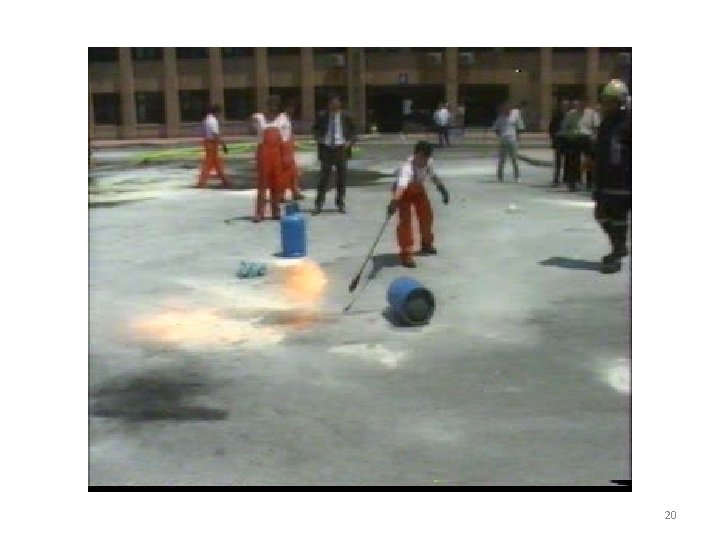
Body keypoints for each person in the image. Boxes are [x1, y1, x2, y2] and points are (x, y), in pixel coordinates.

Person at [387, 141, 449, 268]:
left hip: (418, 190)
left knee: (427, 216)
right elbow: (401, 186)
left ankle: (426, 243)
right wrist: (394, 202)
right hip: (402, 194)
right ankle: (406, 254)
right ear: (415, 155)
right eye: (422, 157)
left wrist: (442, 190)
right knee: (405, 223)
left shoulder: (428, 162)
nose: (424, 160)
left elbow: (433, 177)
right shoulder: (407, 169)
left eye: (426, 157)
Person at [593, 79, 631, 274]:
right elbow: (601, 152)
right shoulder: (606, 123)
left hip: (624, 180)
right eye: (604, 100)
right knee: (600, 214)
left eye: (610, 100)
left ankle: (617, 253)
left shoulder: (629, 122)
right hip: (606, 179)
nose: (605, 104)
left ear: (621, 101)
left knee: (618, 218)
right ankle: (619, 247)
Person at [312, 95, 357, 215]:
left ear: (340, 104)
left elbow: (354, 131)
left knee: (341, 177)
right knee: (324, 177)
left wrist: (350, 141)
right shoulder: (322, 115)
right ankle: (319, 204)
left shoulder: (346, 116)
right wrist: (319, 138)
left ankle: (340, 203)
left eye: (336, 103)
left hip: (341, 148)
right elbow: (315, 129)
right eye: (332, 103)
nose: (334, 106)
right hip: (326, 148)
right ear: (329, 104)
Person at [251, 95, 291, 222]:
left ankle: (276, 211)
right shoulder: (259, 117)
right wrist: (252, 122)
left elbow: (285, 139)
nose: (273, 107)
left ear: (278, 107)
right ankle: (259, 213)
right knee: (262, 182)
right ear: (267, 105)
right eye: (270, 105)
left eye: (275, 105)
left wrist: (286, 156)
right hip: (264, 152)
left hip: (277, 152)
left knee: (277, 182)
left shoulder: (283, 119)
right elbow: (251, 128)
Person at [197, 104, 230, 188]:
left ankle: (225, 181)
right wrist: (223, 145)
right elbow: (215, 134)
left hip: (207, 142)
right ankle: (201, 183)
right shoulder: (213, 120)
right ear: (217, 112)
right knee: (209, 164)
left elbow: (203, 133)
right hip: (212, 143)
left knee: (216, 163)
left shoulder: (205, 120)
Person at [493, 102, 523, 182]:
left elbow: (519, 126)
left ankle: (517, 176)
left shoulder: (516, 114)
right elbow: (496, 128)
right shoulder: (500, 117)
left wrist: (518, 136)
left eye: (508, 110)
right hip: (503, 140)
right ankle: (500, 176)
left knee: (514, 159)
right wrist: (500, 135)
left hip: (512, 139)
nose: (507, 112)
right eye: (505, 110)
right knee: (502, 159)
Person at [558, 99, 584, 191]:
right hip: (573, 140)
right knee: (573, 161)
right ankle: (572, 181)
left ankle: (585, 181)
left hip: (586, 139)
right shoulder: (570, 114)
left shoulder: (589, 114)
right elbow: (564, 127)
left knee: (587, 161)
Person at [281, 101, 304, 201]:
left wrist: (293, 143)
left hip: (289, 146)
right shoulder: (281, 119)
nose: (292, 110)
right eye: (290, 108)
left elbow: (289, 133)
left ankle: (295, 192)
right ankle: (281, 194)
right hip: (283, 147)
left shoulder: (288, 119)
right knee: (284, 172)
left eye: (293, 108)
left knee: (293, 171)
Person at [578, 100, 601, 190]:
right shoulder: (573, 113)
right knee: (576, 160)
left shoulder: (592, 113)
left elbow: (596, 127)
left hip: (588, 139)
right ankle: (575, 179)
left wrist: (594, 137)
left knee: (589, 160)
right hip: (577, 138)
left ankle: (589, 181)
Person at [549, 99, 570, 186]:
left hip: (567, 140)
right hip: (558, 140)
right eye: (563, 105)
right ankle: (556, 178)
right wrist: (554, 137)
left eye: (566, 105)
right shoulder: (556, 116)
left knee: (568, 160)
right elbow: (551, 128)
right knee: (558, 161)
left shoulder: (570, 115)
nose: (565, 106)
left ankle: (566, 178)